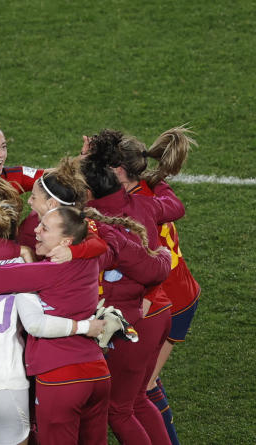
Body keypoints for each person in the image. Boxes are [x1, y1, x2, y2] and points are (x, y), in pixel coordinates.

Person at [0, 205, 171, 445]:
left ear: (66, 241)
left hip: (61, 378)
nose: (35, 230)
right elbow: (105, 241)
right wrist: (79, 249)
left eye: (45, 228)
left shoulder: (45, 272)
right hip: (98, 375)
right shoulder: (93, 259)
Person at [82, 130, 185, 445]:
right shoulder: (147, 203)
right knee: (137, 399)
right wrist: (157, 181)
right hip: (161, 310)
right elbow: (176, 207)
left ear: (114, 171)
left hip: (134, 318)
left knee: (118, 409)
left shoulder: (99, 218)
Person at [109, 125, 199, 445]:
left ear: (120, 171)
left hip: (164, 299)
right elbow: (175, 207)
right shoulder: (153, 188)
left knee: (142, 390)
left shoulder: (131, 206)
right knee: (139, 390)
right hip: (179, 290)